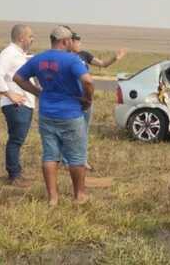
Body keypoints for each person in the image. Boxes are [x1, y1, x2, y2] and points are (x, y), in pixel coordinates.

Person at [14, 26, 95, 206]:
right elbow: (88, 81)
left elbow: (18, 78)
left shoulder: (38, 59)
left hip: (46, 113)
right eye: (70, 41)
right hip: (71, 114)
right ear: (65, 41)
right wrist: (88, 100)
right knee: (76, 157)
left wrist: (38, 92)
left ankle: (53, 198)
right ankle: (79, 196)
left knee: (50, 155)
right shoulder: (72, 60)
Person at [61, 28, 126, 171]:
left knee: (84, 129)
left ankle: (82, 160)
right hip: (70, 99)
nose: (79, 43)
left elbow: (102, 64)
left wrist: (116, 57)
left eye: (79, 41)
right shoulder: (63, 57)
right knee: (69, 130)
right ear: (69, 42)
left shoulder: (84, 55)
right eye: (76, 41)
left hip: (86, 99)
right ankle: (65, 161)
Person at [0, 24, 35, 187]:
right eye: (30, 36)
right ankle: (14, 175)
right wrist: (9, 93)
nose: (32, 39)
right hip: (15, 105)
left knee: (17, 139)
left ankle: (16, 173)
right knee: (15, 140)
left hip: (24, 104)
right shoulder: (9, 53)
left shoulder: (19, 55)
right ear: (22, 38)